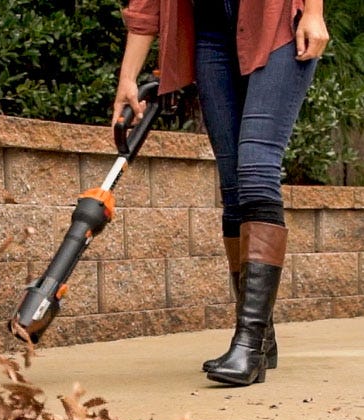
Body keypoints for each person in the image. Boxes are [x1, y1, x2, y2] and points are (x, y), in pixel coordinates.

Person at [113, 0, 328, 385]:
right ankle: (261, 338)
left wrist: (313, 11)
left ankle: (247, 343)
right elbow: (146, 7)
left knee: (256, 168)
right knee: (233, 187)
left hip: (276, 23)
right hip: (210, 36)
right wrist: (127, 80)